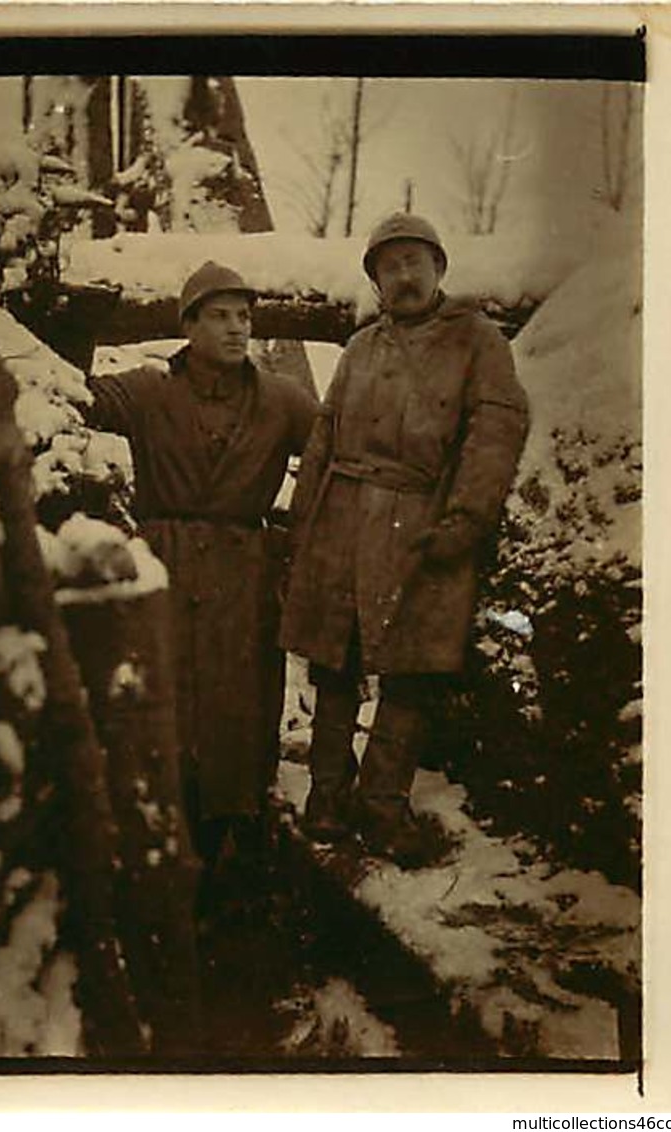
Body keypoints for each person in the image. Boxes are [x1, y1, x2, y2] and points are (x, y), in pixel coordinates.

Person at [279, 213, 530, 864]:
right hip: (342, 516)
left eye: (416, 261)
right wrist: (304, 526)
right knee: (335, 662)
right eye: (390, 266)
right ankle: (327, 797)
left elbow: (497, 427)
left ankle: (381, 804)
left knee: (413, 671)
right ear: (377, 281)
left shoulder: (476, 340)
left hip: (422, 521)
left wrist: (466, 518)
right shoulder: (362, 347)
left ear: (440, 268)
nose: (404, 275)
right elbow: (324, 437)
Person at [84, 261, 318, 875]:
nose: (236, 328)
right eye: (218, 316)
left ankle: (235, 834)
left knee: (240, 699)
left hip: (245, 572)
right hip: (167, 564)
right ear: (187, 324)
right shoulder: (148, 390)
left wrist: (298, 532)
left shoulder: (283, 401)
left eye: (244, 316)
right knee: (169, 691)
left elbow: (337, 452)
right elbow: (75, 397)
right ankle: (164, 831)